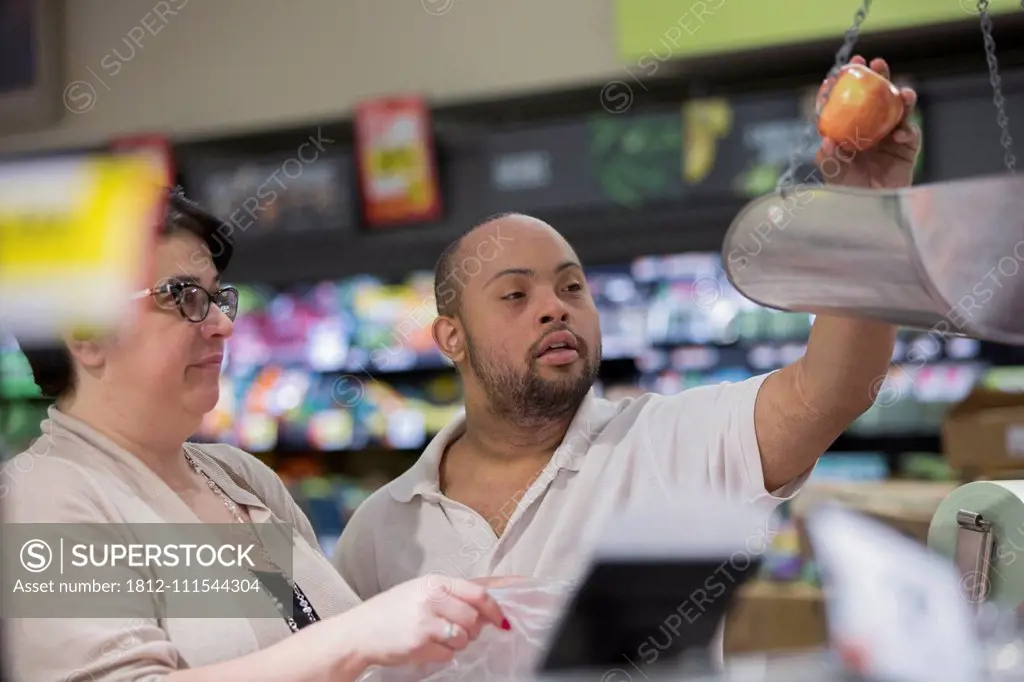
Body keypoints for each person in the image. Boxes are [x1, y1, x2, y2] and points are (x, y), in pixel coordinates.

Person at [332, 54, 921, 649]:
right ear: (450, 338)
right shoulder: (381, 530)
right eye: (515, 293)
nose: (554, 307)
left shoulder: (667, 444)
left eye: (571, 287)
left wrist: (867, 211)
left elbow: (833, 389)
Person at [2, 189, 509, 682]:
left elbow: (300, 633)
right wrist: (359, 637)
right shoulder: (43, 496)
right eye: (182, 296)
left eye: (217, 295)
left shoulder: (237, 477)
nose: (222, 323)